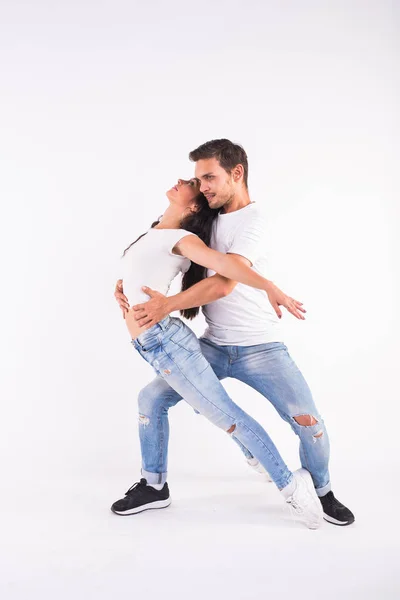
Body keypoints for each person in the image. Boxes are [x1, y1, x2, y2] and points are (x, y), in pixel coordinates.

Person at [115, 139, 355, 527]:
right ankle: (154, 485)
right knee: (151, 399)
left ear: (237, 173)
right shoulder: (205, 218)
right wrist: (127, 286)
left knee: (307, 420)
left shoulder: (254, 222)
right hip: (212, 344)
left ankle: (322, 491)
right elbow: (162, 252)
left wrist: (168, 305)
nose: (203, 185)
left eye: (209, 177)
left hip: (260, 348)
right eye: (198, 179)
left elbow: (224, 284)